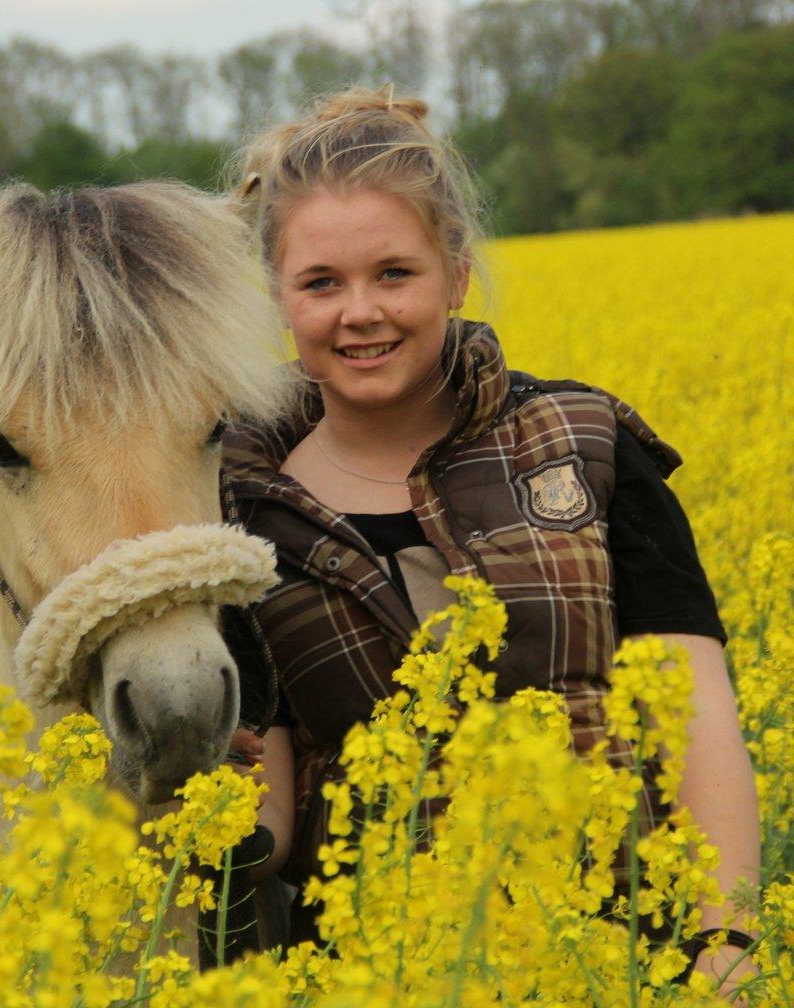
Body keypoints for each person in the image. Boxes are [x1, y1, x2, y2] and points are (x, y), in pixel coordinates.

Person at [219, 85, 760, 997]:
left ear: (456, 275)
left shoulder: (583, 442)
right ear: (278, 297)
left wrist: (728, 952)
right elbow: (265, 802)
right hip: (382, 974)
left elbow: (695, 715)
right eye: (321, 283)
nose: (361, 312)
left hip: (629, 955)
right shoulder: (239, 513)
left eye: (395, 273)